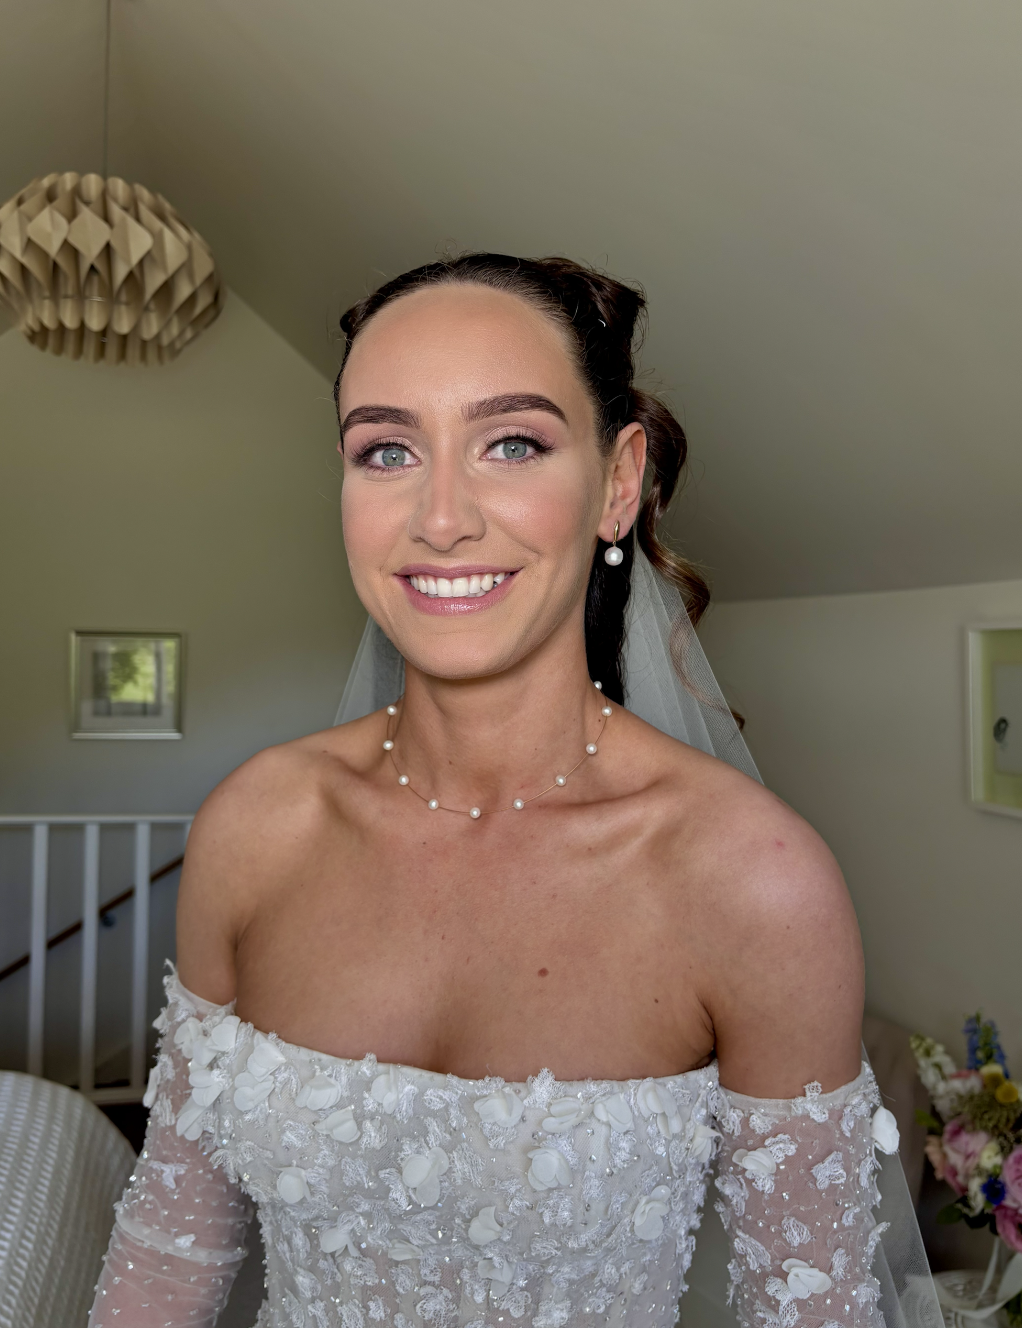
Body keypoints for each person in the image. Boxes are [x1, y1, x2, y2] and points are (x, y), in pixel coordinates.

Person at [89, 255, 922, 1328]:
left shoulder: (753, 882)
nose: (439, 517)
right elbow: (167, 1257)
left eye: (511, 442)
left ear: (617, 482)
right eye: (385, 449)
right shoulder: (256, 826)